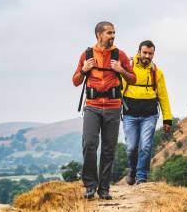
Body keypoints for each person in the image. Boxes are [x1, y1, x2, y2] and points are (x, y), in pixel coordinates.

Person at [72, 21, 136, 199]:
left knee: (109, 149)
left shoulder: (120, 55)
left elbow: (133, 79)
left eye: (114, 33)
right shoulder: (87, 54)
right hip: (92, 107)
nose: (113, 36)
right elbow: (75, 81)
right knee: (89, 145)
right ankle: (90, 186)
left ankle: (104, 189)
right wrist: (84, 70)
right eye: (109, 33)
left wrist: (121, 69)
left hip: (113, 107)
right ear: (99, 35)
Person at [122, 40, 172, 185]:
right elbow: (120, 90)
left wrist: (167, 119)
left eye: (150, 53)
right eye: (144, 52)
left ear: (153, 54)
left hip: (149, 116)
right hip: (129, 115)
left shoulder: (157, 72)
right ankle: (132, 171)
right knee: (131, 147)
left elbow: (163, 96)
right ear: (139, 52)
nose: (147, 56)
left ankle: (141, 177)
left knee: (145, 146)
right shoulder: (128, 67)